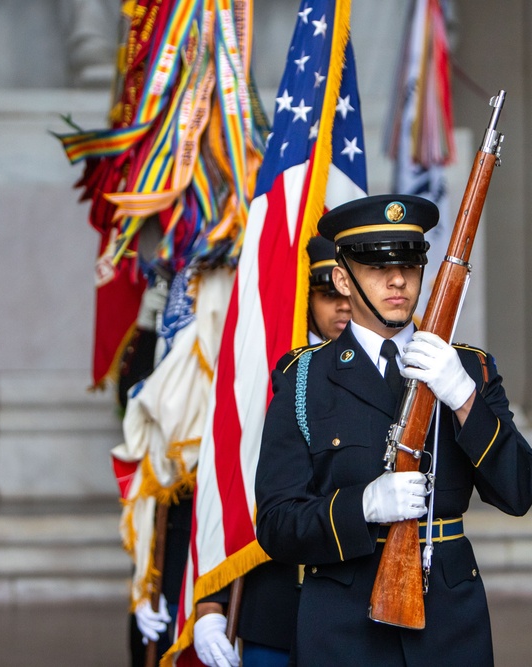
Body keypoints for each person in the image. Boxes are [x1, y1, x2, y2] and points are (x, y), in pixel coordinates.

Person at [253, 194, 532, 667]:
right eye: (375, 267)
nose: (397, 281)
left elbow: (520, 491)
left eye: (410, 264)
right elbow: (277, 524)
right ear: (343, 279)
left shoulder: (469, 368)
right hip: (342, 626)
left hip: (448, 622)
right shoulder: (303, 379)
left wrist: (464, 398)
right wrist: (362, 506)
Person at [191, 236, 352, 667]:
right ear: (305, 296)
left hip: (352, 603)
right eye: (327, 294)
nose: (343, 306)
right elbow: (231, 471)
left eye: (349, 291)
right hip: (275, 595)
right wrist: (211, 600)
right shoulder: (267, 367)